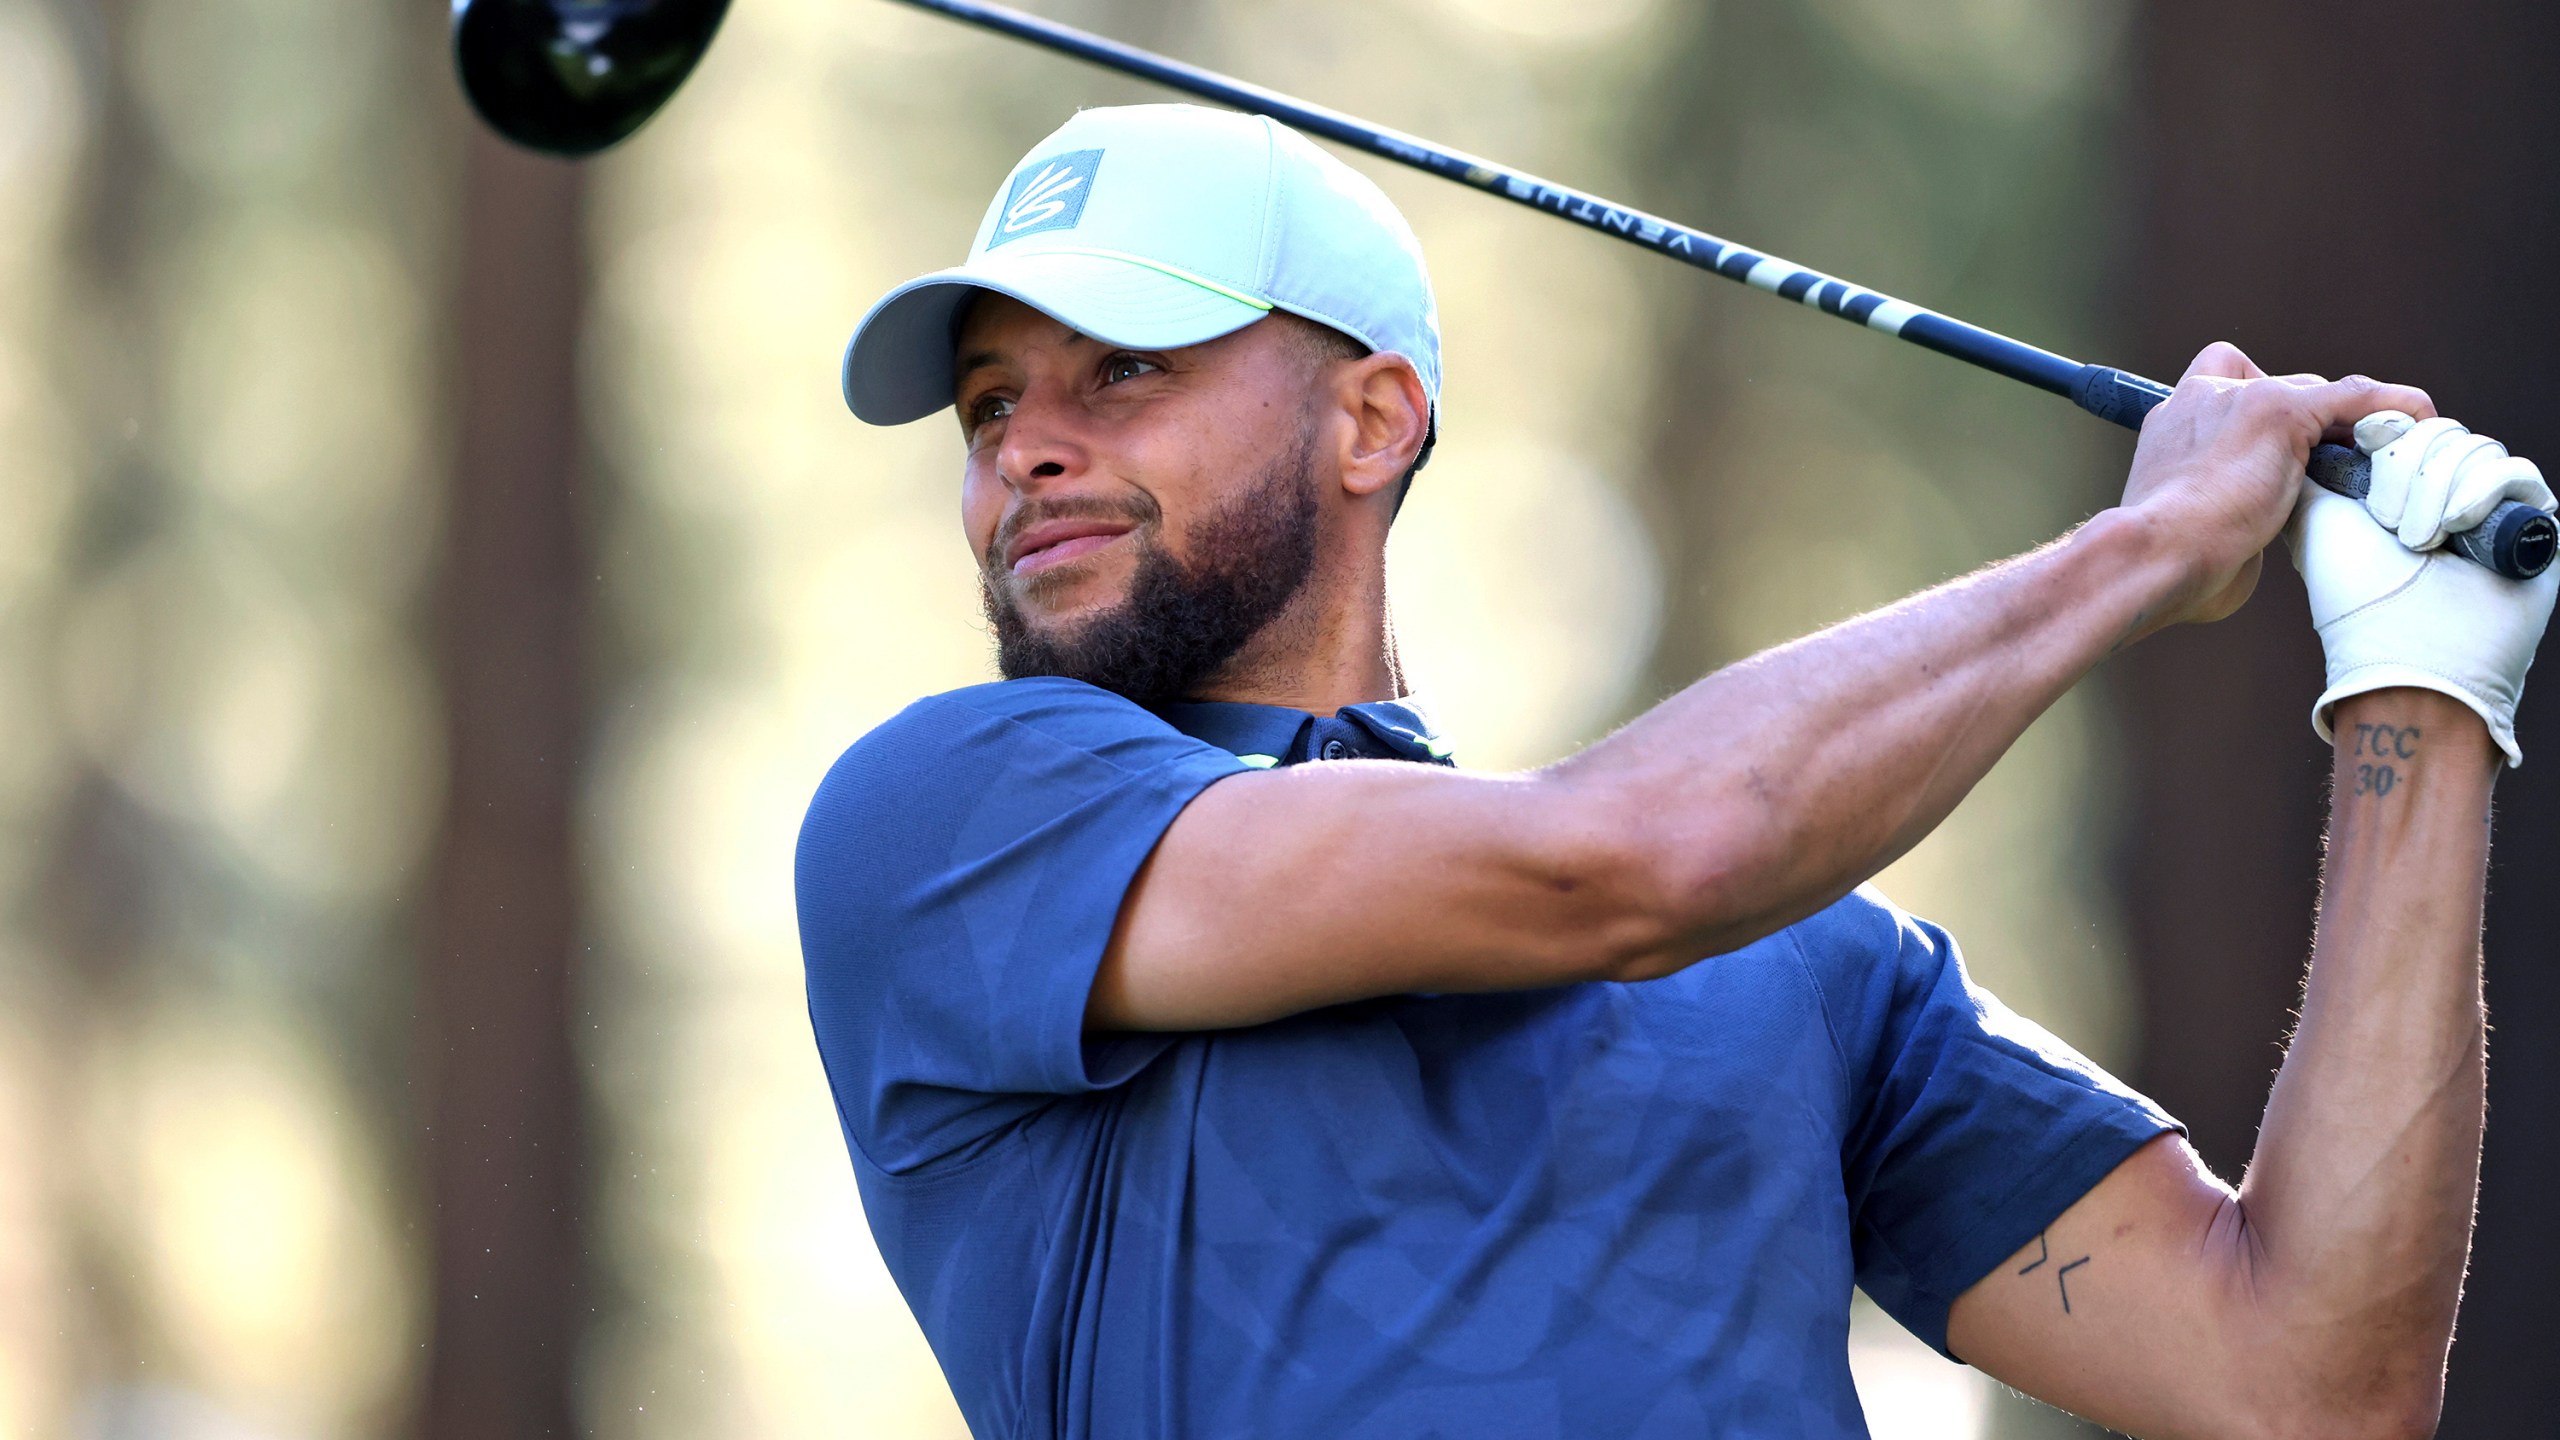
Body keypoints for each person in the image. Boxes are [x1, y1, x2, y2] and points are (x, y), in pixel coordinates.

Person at [796, 103, 2557, 1438]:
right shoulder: (953, 822)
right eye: (988, 406)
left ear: (1373, 419)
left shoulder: (1810, 963)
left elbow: (2311, 1381)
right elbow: (1627, 859)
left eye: (1123, 369)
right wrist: (2146, 548)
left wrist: (2424, 685)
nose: (1028, 448)